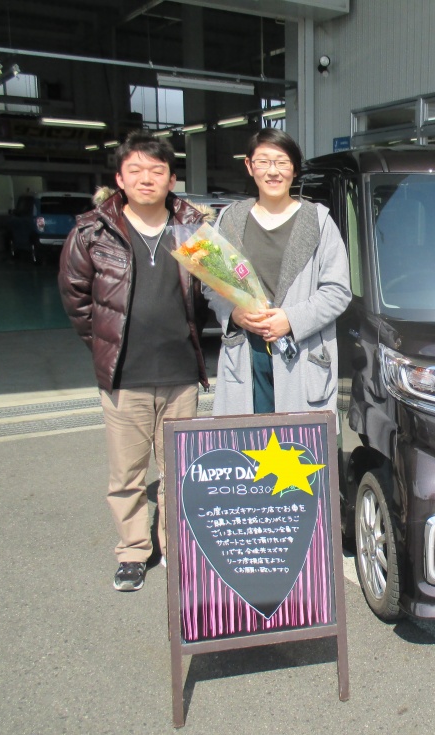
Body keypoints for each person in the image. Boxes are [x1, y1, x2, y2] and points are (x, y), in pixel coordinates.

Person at [58, 131, 210, 592]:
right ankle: (132, 551)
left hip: (181, 374)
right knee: (127, 473)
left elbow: (213, 289)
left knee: (178, 471)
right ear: (120, 179)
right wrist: (105, 345)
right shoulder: (93, 230)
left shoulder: (193, 228)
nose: (147, 179)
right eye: (136, 170)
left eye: (157, 170)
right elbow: (76, 297)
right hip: (125, 375)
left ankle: (174, 547)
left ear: (171, 179)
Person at [207, 128, 351, 417]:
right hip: (247, 351)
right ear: (249, 166)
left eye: (282, 162)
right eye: (263, 161)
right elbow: (211, 284)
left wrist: (291, 319)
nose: (273, 171)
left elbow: (337, 292)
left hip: (300, 352)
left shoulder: (319, 221)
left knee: (297, 442)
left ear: (294, 169)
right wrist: (233, 313)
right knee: (248, 439)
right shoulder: (230, 218)